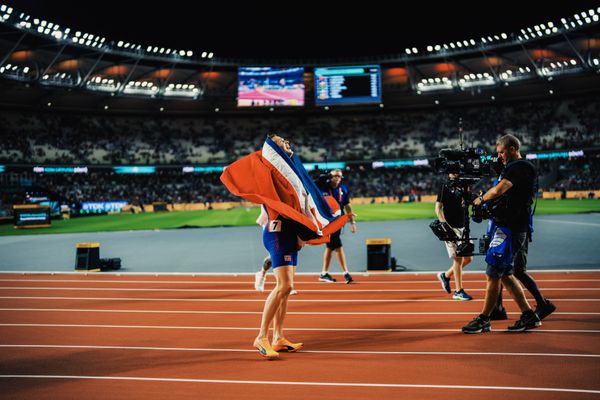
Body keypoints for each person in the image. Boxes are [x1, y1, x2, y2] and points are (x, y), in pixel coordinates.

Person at [221, 134, 349, 358]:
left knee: (287, 289)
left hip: (289, 233)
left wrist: (304, 231)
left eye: (289, 142)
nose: (288, 144)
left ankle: (278, 337)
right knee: (284, 285)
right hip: (277, 232)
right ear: (273, 148)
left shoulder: (293, 176)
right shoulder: (272, 171)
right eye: (282, 142)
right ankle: (261, 337)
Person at [462, 134, 555, 334]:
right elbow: (496, 178)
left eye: (502, 152)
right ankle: (529, 315)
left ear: (512, 149)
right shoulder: (512, 167)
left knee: (493, 272)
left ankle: (484, 318)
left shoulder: (520, 167)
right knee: (504, 274)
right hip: (508, 227)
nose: (500, 156)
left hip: (510, 229)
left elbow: (499, 190)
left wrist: (479, 200)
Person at [435, 173, 473, 301]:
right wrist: (446, 228)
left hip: (463, 227)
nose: (455, 173)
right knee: (458, 259)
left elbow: (468, 201)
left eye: (456, 170)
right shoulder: (444, 186)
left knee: (468, 259)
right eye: (452, 171)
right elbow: (438, 209)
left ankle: (445, 276)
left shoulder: (463, 185)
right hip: (451, 228)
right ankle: (458, 291)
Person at [318, 169, 355, 284]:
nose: (337, 178)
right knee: (337, 245)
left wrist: (352, 222)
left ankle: (324, 273)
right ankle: (346, 273)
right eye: (335, 176)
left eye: (339, 176)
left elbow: (348, 206)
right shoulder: (323, 187)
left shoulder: (343, 189)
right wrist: (320, 178)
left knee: (330, 247)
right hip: (329, 222)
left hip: (339, 222)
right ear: (330, 176)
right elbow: (312, 186)